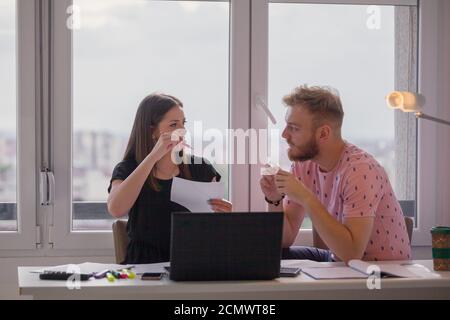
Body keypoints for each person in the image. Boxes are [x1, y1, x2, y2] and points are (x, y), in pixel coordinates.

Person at [260, 85, 412, 263]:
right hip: (337, 262)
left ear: (323, 133)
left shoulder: (360, 170)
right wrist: (274, 199)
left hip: (379, 273)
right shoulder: (305, 165)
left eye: (294, 128)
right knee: (263, 255)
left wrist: (305, 197)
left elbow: (351, 254)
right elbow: (284, 239)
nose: (285, 135)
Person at [107, 93, 232, 264]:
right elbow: (116, 209)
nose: (183, 130)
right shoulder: (129, 168)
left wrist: (227, 215)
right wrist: (152, 157)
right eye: (174, 124)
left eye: (183, 123)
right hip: (145, 266)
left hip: (193, 261)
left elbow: (214, 228)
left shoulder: (200, 168)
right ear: (152, 131)